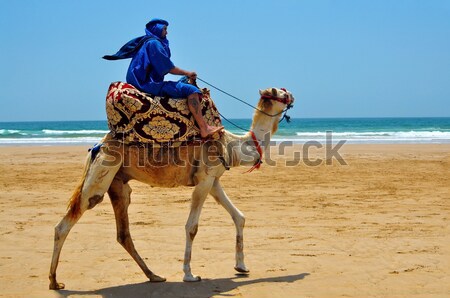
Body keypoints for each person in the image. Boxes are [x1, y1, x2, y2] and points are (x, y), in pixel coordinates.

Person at [103, 18, 223, 138]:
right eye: (165, 29)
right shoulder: (154, 43)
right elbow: (168, 68)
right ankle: (204, 128)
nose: (167, 32)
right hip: (147, 84)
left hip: (144, 81)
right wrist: (188, 73)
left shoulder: (147, 42)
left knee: (183, 82)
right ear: (157, 29)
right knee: (191, 91)